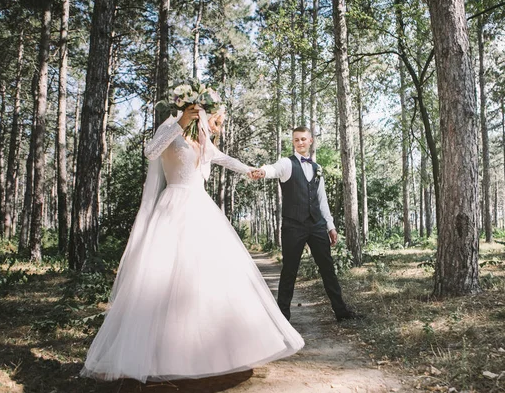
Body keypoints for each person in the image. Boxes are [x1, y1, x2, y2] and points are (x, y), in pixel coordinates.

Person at [80, 106, 304, 383]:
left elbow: (224, 159)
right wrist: (180, 122)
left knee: (210, 277)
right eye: (217, 121)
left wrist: (251, 171)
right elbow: (150, 152)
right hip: (172, 208)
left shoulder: (203, 141)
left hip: (201, 210)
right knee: (162, 278)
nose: (218, 128)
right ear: (200, 113)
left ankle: (214, 353)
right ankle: (160, 354)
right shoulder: (170, 128)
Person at [250, 127, 362, 322]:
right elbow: (273, 169)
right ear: (293, 142)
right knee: (289, 271)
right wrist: (262, 171)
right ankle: (282, 317)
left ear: (310, 141)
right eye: (296, 140)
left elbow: (322, 199)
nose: (300, 142)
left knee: (327, 268)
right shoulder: (287, 163)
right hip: (293, 225)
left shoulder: (318, 168)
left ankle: (341, 312)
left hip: (317, 224)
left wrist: (331, 226)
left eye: (303, 139)